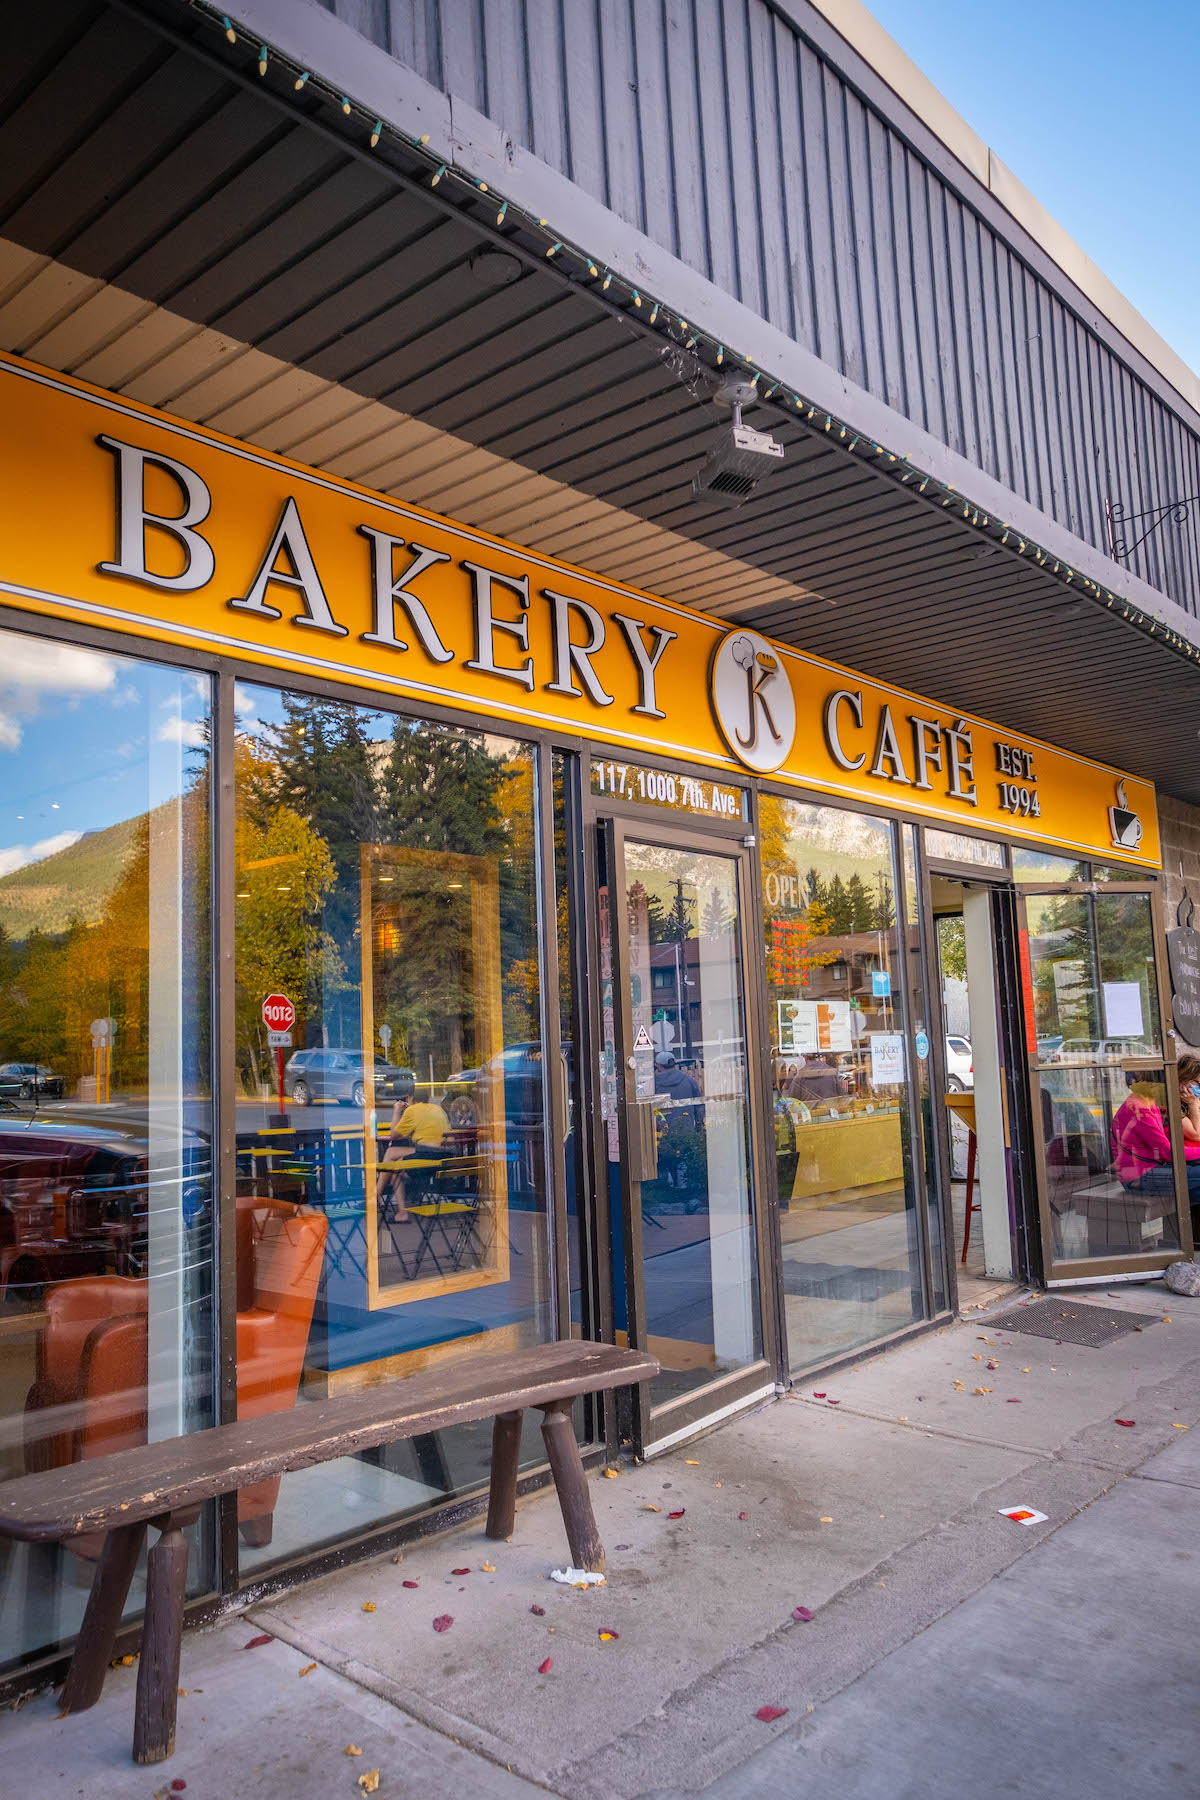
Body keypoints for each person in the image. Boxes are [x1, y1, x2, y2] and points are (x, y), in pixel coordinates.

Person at [1110, 1070, 1200, 1219]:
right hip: (1139, 1178)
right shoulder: (1139, 1109)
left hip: (1152, 1170)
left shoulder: (1148, 1103)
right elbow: (1167, 1152)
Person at [375, 1092, 452, 1222]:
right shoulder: (437, 1109)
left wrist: (396, 1112)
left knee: (394, 1167)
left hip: (426, 1155)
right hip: (443, 1155)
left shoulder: (412, 1110)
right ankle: (377, 1196)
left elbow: (393, 1135)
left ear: (410, 1099)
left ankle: (397, 1210)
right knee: (392, 1155)